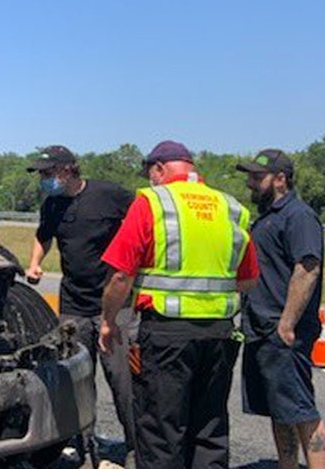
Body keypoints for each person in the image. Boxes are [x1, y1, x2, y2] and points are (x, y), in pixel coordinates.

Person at [98, 140, 259, 469]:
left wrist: (108, 321)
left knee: (161, 431)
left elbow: (119, 277)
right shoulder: (229, 207)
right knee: (210, 429)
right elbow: (248, 279)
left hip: (166, 335)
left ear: (159, 169)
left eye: (150, 173)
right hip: (219, 334)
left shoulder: (153, 202)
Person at [24, 145, 137, 462]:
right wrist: (35, 263)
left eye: (48, 173)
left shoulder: (110, 195)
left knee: (122, 381)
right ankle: (85, 446)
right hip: (73, 304)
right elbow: (42, 235)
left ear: (68, 170)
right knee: (75, 379)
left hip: (114, 305)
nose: (44, 179)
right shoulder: (52, 205)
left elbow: (143, 221)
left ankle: (135, 447)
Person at [237, 149, 325, 469]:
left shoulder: (298, 215)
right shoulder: (269, 216)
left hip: (283, 330)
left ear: (280, 179)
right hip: (262, 326)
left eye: (256, 177)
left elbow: (308, 268)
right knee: (280, 410)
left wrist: (287, 323)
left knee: (301, 408)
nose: (250, 183)